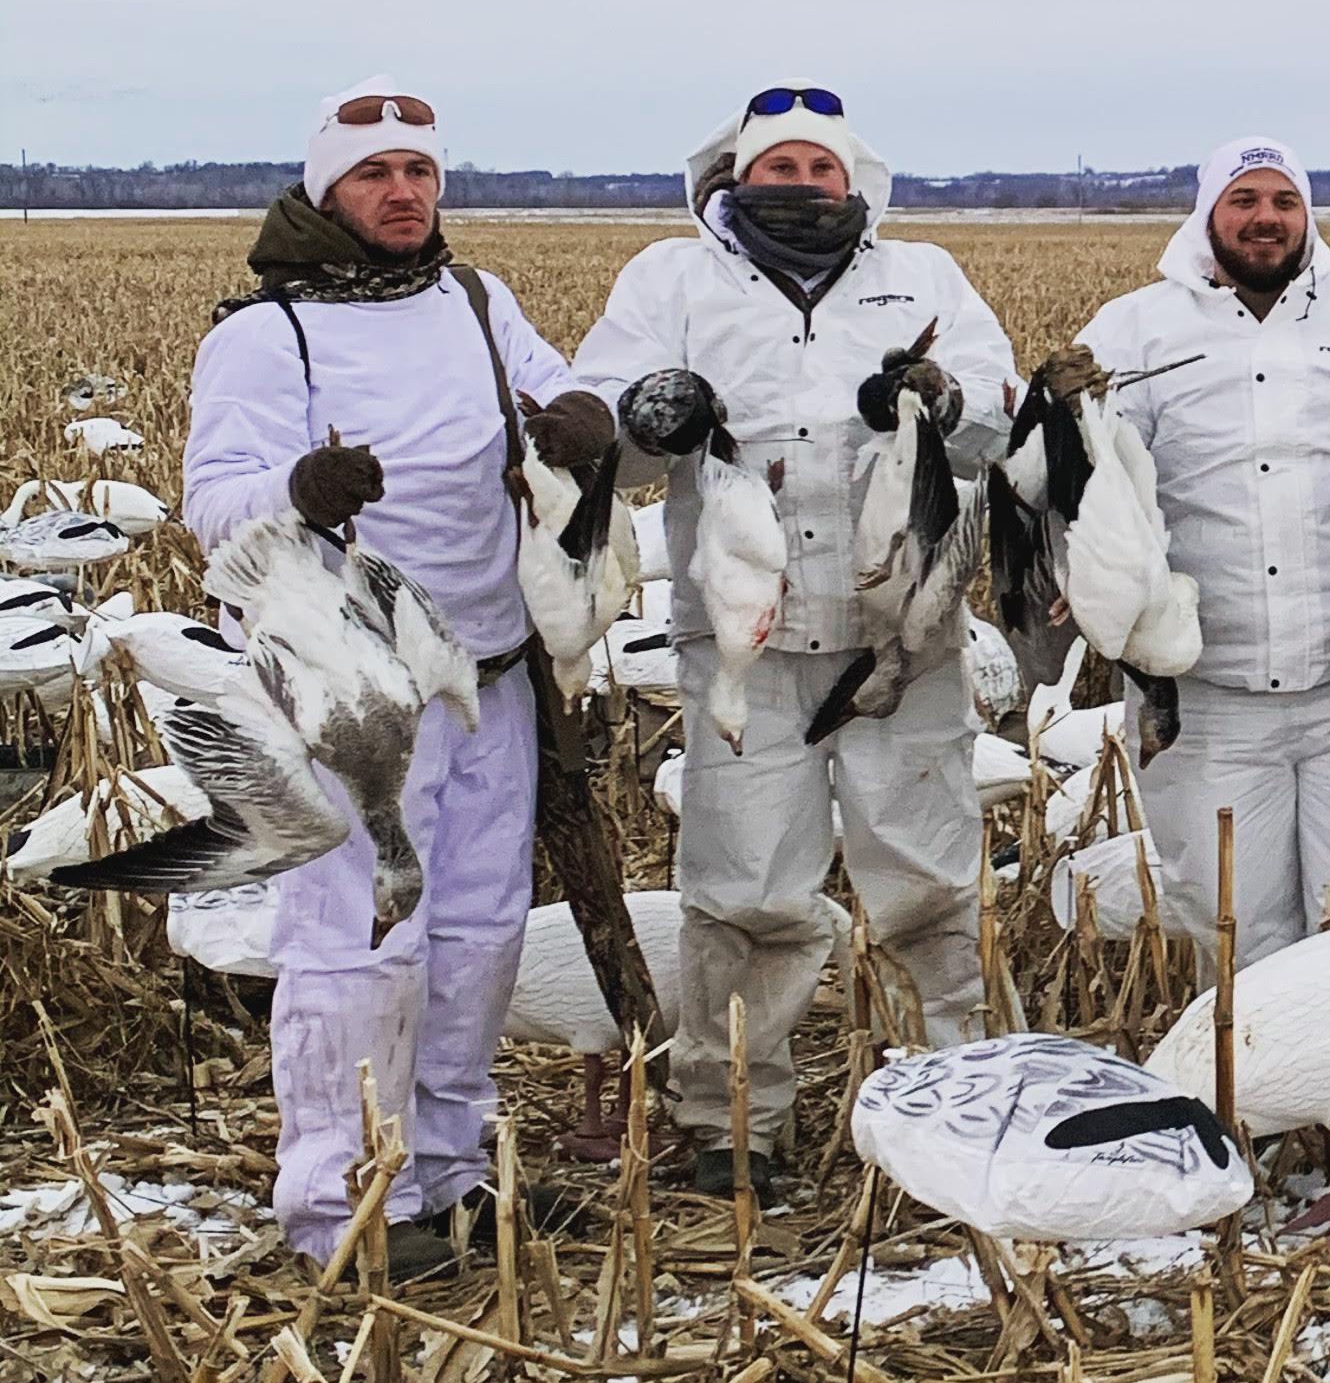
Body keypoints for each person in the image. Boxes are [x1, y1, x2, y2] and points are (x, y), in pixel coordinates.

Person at [184, 78, 614, 1277]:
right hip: (350, 691)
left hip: (488, 671)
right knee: (356, 945)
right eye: (375, 174)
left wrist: (586, 419)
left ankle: (449, 1175)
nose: (403, 192)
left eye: (420, 172)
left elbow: (564, 383)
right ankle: (344, 1207)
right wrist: (298, 495)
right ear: (327, 188)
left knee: (478, 932)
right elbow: (213, 503)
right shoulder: (268, 335)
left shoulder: (477, 304)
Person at [568, 91, 1017, 1199]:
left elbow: (1001, 425)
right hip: (742, 646)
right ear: (735, 178)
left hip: (903, 635)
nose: (802, 185)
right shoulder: (669, 283)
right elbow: (596, 438)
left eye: (822, 169)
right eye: (781, 168)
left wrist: (941, 399)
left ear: (855, 183)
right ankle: (731, 1122)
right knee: (746, 886)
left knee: (926, 880)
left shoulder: (924, 279)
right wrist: (644, 418)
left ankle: (957, 1103)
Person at [1075, 138, 1330, 961]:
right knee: (1234, 930)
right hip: (1205, 701)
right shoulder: (1131, 334)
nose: (1265, 219)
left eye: (1284, 202)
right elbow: (1094, 492)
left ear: (1308, 216)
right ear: (1207, 214)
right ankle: (1247, 1092)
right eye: (1244, 201)